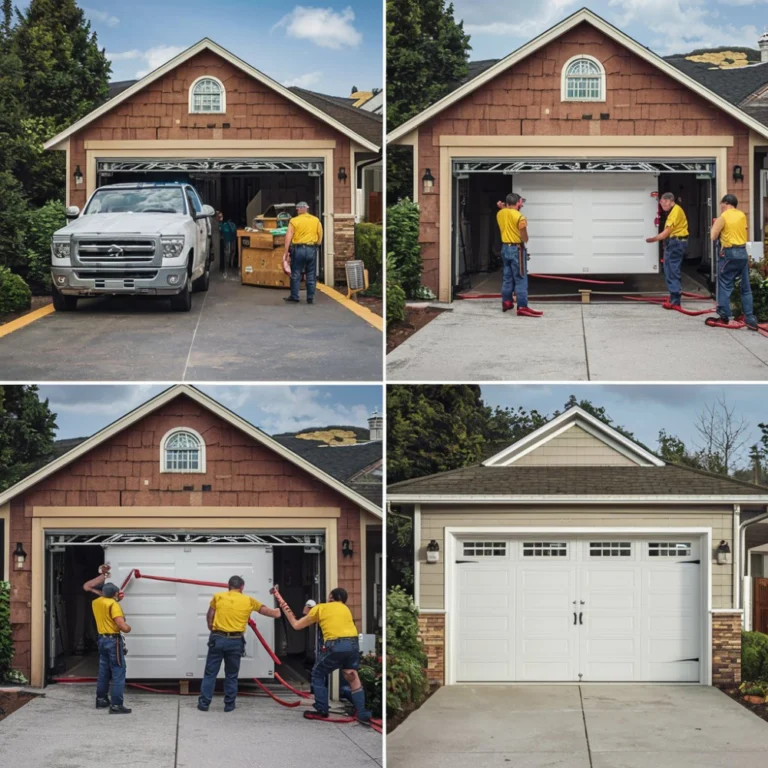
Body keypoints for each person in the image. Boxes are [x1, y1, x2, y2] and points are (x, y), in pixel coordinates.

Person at [273, 585, 371, 723]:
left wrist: (283, 606)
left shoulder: (322, 608)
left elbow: (296, 625)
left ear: (331, 597)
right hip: (353, 644)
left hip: (336, 644)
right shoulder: (346, 609)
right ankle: (362, 713)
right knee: (351, 674)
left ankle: (321, 709)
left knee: (318, 673)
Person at [197, 575, 280, 713]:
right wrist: (279, 606)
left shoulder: (218, 597)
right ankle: (229, 705)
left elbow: (209, 615)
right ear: (242, 587)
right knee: (231, 674)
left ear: (228, 586)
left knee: (210, 673)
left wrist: (212, 627)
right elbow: (271, 613)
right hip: (235, 641)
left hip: (217, 639)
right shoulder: (248, 600)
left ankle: (204, 704)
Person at [83, 565, 132, 714]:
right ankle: (116, 705)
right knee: (118, 671)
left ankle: (101, 699)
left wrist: (104, 577)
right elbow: (122, 626)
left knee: (104, 670)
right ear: (115, 594)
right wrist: (128, 628)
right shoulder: (113, 605)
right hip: (113, 641)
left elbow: (87, 587)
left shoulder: (97, 602)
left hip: (102, 640)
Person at [707, 194, 758, 330]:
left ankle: (724, 315)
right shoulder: (742, 215)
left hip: (729, 254)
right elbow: (743, 231)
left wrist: (715, 226)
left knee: (724, 284)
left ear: (725, 203)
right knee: (745, 288)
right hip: (742, 253)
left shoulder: (722, 217)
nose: (721, 207)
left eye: (721, 205)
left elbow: (713, 236)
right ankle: (750, 317)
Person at [495, 194, 543, 317]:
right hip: (516, 249)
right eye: (521, 203)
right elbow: (524, 237)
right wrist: (525, 233)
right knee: (521, 278)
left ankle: (506, 302)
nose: (521, 205)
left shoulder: (500, 213)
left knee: (507, 277)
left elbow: (506, 210)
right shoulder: (520, 217)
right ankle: (522, 306)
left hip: (505, 248)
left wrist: (502, 206)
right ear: (517, 203)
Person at [646, 192, 688, 309]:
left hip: (676, 243)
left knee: (671, 270)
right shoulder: (674, 210)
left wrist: (653, 239)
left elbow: (666, 233)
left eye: (663, 203)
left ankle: (675, 300)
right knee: (669, 269)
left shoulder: (675, 211)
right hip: (675, 242)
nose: (662, 205)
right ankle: (674, 296)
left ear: (670, 200)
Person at [282, 201, 322, 305]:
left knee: (296, 273)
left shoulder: (294, 221)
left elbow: (288, 237)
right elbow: (320, 235)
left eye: (297, 209)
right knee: (311, 274)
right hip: (311, 249)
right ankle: (310, 298)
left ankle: (295, 296)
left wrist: (286, 253)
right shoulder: (316, 220)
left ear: (299, 209)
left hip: (298, 249)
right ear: (307, 209)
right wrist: (316, 244)